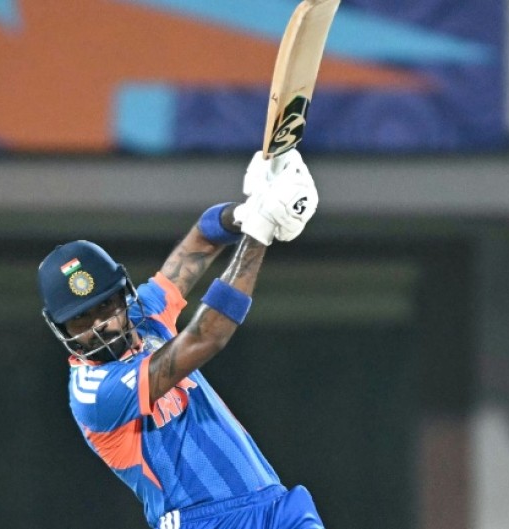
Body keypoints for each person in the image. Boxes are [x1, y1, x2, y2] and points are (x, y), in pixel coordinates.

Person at [37, 151, 322, 529]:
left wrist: (245, 211)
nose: (100, 326)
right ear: (61, 329)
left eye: (105, 306)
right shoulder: (93, 393)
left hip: (273, 502)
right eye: (80, 321)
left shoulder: (144, 316)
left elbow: (201, 240)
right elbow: (206, 338)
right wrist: (260, 230)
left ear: (124, 295)